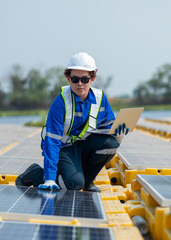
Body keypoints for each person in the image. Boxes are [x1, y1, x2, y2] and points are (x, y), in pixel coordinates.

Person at [16, 52, 129, 192]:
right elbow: (52, 141)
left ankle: (87, 182)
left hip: (83, 145)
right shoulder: (61, 102)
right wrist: (49, 178)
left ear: (92, 78)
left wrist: (118, 137)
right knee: (72, 185)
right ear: (68, 78)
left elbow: (108, 128)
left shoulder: (100, 99)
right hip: (63, 148)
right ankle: (35, 174)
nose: (80, 84)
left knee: (110, 145)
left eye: (85, 79)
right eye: (75, 79)